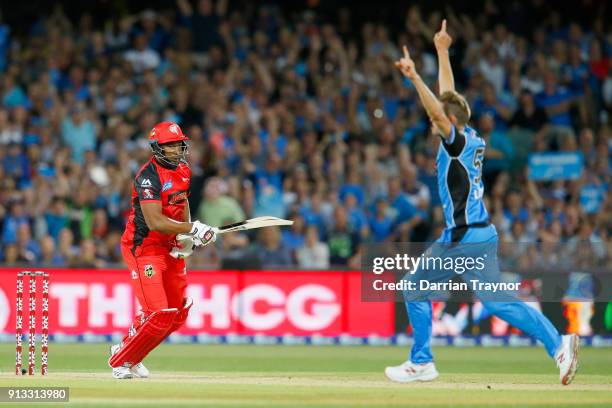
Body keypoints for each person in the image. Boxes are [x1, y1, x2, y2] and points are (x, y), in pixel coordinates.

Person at [385, 20, 578, 385]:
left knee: (417, 287)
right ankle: (558, 343)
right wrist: (442, 51)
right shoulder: (469, 137)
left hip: (463, 237)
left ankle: (422, 361)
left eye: (438, 119)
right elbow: (449, 98)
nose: (432, 121)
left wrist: (414, 79)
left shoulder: (453, 141)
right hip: (476, 234)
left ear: (450, 120)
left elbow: (440, 109)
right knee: (486, 301)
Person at [108, 121, 216, 379]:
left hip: (169, 247)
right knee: (157, 313)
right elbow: (155, 221)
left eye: (179, 143)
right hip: (144, 248)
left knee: (176, 313)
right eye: (170, 145)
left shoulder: (184, 169)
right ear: (157, 148)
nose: (177, 149)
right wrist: (192, 228)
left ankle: (133, 356)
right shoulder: (148, 177)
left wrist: (187, 237)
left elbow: (182, 201)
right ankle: (119, 361)